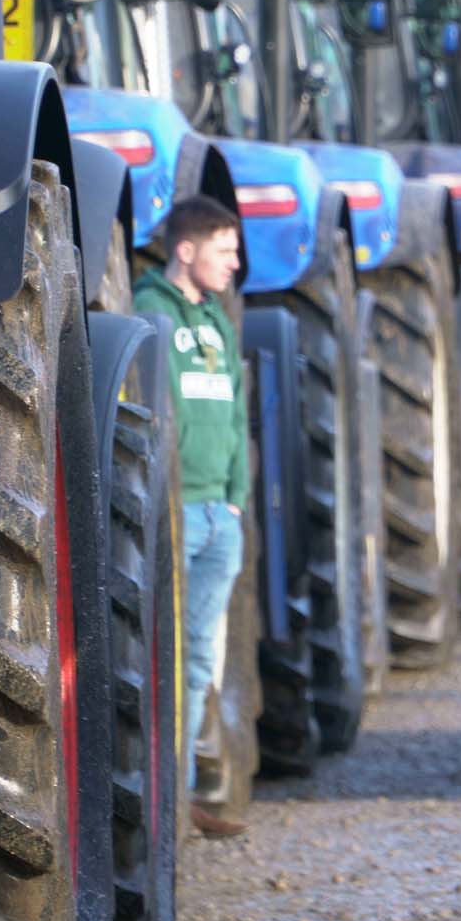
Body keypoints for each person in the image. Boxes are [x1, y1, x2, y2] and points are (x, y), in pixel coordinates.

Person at [133, 195, 250, 839]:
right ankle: (163, 807)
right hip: (177, 512)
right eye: (224, 249)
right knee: (167, 658)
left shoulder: (218, 322)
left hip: (218, 518)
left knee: (200, 662)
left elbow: (234, 413)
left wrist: (234, 495)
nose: (234, 262)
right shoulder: (151, 312)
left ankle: (177, 800)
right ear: (187, 249)